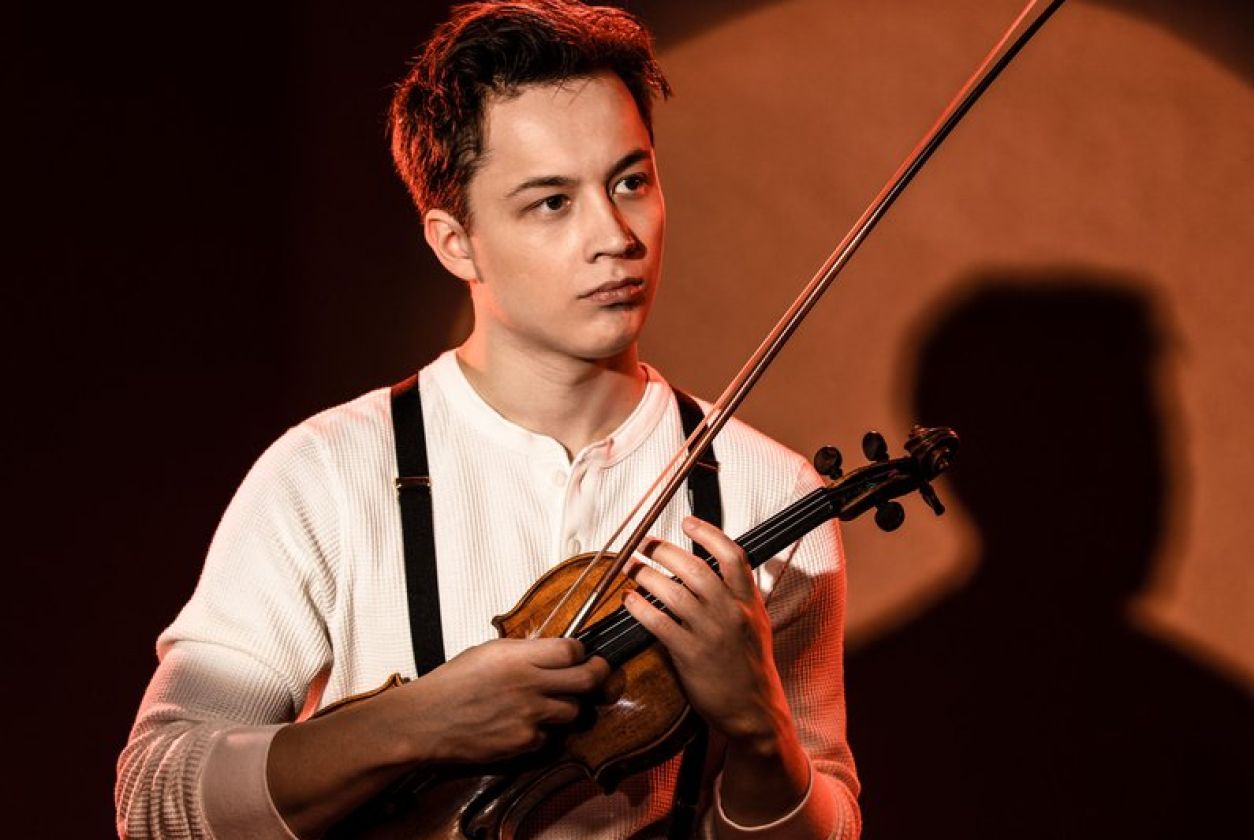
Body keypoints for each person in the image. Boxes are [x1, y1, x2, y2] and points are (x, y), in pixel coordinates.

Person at [114, 2, 859, 838]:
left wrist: (761, 733)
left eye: (631, 181)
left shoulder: (770, 491)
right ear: (453, 241)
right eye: (550, 202)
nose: (615, 236)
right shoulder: (325, 472)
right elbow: (156, 802)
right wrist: (415, 722)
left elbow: (827, 819)